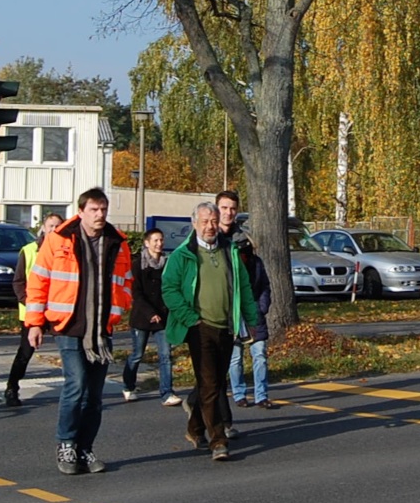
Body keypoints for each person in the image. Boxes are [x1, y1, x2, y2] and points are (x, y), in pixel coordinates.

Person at [25, 188, 133, 475]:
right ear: (81, 211)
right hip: (68, 325)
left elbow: (125, 281)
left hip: (100, 330)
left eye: (103, 210)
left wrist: (119, 308)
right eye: (94, 210)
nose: (99, 215)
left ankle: (85, 448)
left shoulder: (116, 242)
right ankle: (66, 444)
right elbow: (38, 282)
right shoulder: (59, 239)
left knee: (95, 396)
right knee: (77, 385)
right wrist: (35, 323)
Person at [163, 201, 260, 462]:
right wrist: (190, 318)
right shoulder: (183, 254)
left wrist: (252, 319)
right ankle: (218, 440)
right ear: (194, 223)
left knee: (214, 382)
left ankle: (194, 428)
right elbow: (169, 289)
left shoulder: (229, 251)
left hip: (226, 326)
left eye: (213, 221)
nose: (210, 226)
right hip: (199, 327)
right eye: (205, 221)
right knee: (209, 384)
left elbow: (244, 288)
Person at [216, 190, 275, 409]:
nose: (228, 212)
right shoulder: (212, 241)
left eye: (232, 208)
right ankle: (239, 393)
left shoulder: (245, 241)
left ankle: (262, 395)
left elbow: (262, 281)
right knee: (235, 357)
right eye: (224, 208)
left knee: (259, 353)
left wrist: (261, 306)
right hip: (229, 312)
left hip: (252, 310)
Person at [4, 213, 60, 408]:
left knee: (69, 350)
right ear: (43, 228)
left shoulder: (65, 251)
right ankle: (12, 388)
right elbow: (19, 281)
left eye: (57, 226)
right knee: (25, 352)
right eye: (50, 225)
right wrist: (30, 303)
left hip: (58, 311)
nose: (54, 229)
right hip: (32, 312)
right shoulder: (28, 251)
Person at [122, 227, 181, 406]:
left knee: (165, 355)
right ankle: (128, 385)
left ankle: (167, 392)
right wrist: (150, 313)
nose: (159, 244)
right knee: (137, 354)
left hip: (163, 318)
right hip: (142, 317)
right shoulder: (137, 264)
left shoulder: (167, 264)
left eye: (161, 240)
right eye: (155, 240)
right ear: (147, 243)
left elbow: (171, 288)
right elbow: (137, 294)